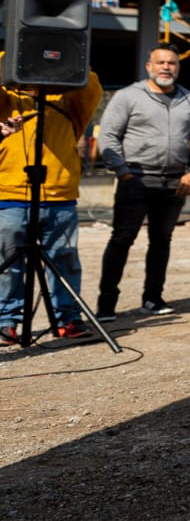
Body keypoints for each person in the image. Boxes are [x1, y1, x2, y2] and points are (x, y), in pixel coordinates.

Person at [96, 43, 190, 321]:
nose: (165, 67)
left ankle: (152, 298)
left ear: (178, 67)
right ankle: (106, 304)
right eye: (160, 62)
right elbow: (108, 136)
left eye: (171, 63)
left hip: (175, 182)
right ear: (148, 66)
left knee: (161, 240)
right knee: (122, 239)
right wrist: (122, 172)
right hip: (135, 179)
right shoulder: (128, 96)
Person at [0, 56, 103, 344]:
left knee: (64, 261)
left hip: (60, 193)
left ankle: (67, 319)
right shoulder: (7, 95)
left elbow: (91, 85)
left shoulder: (69, 96)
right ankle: (6, 321)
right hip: (10, 193)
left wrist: (65, 56)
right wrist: (16, 56)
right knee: (9, 264)